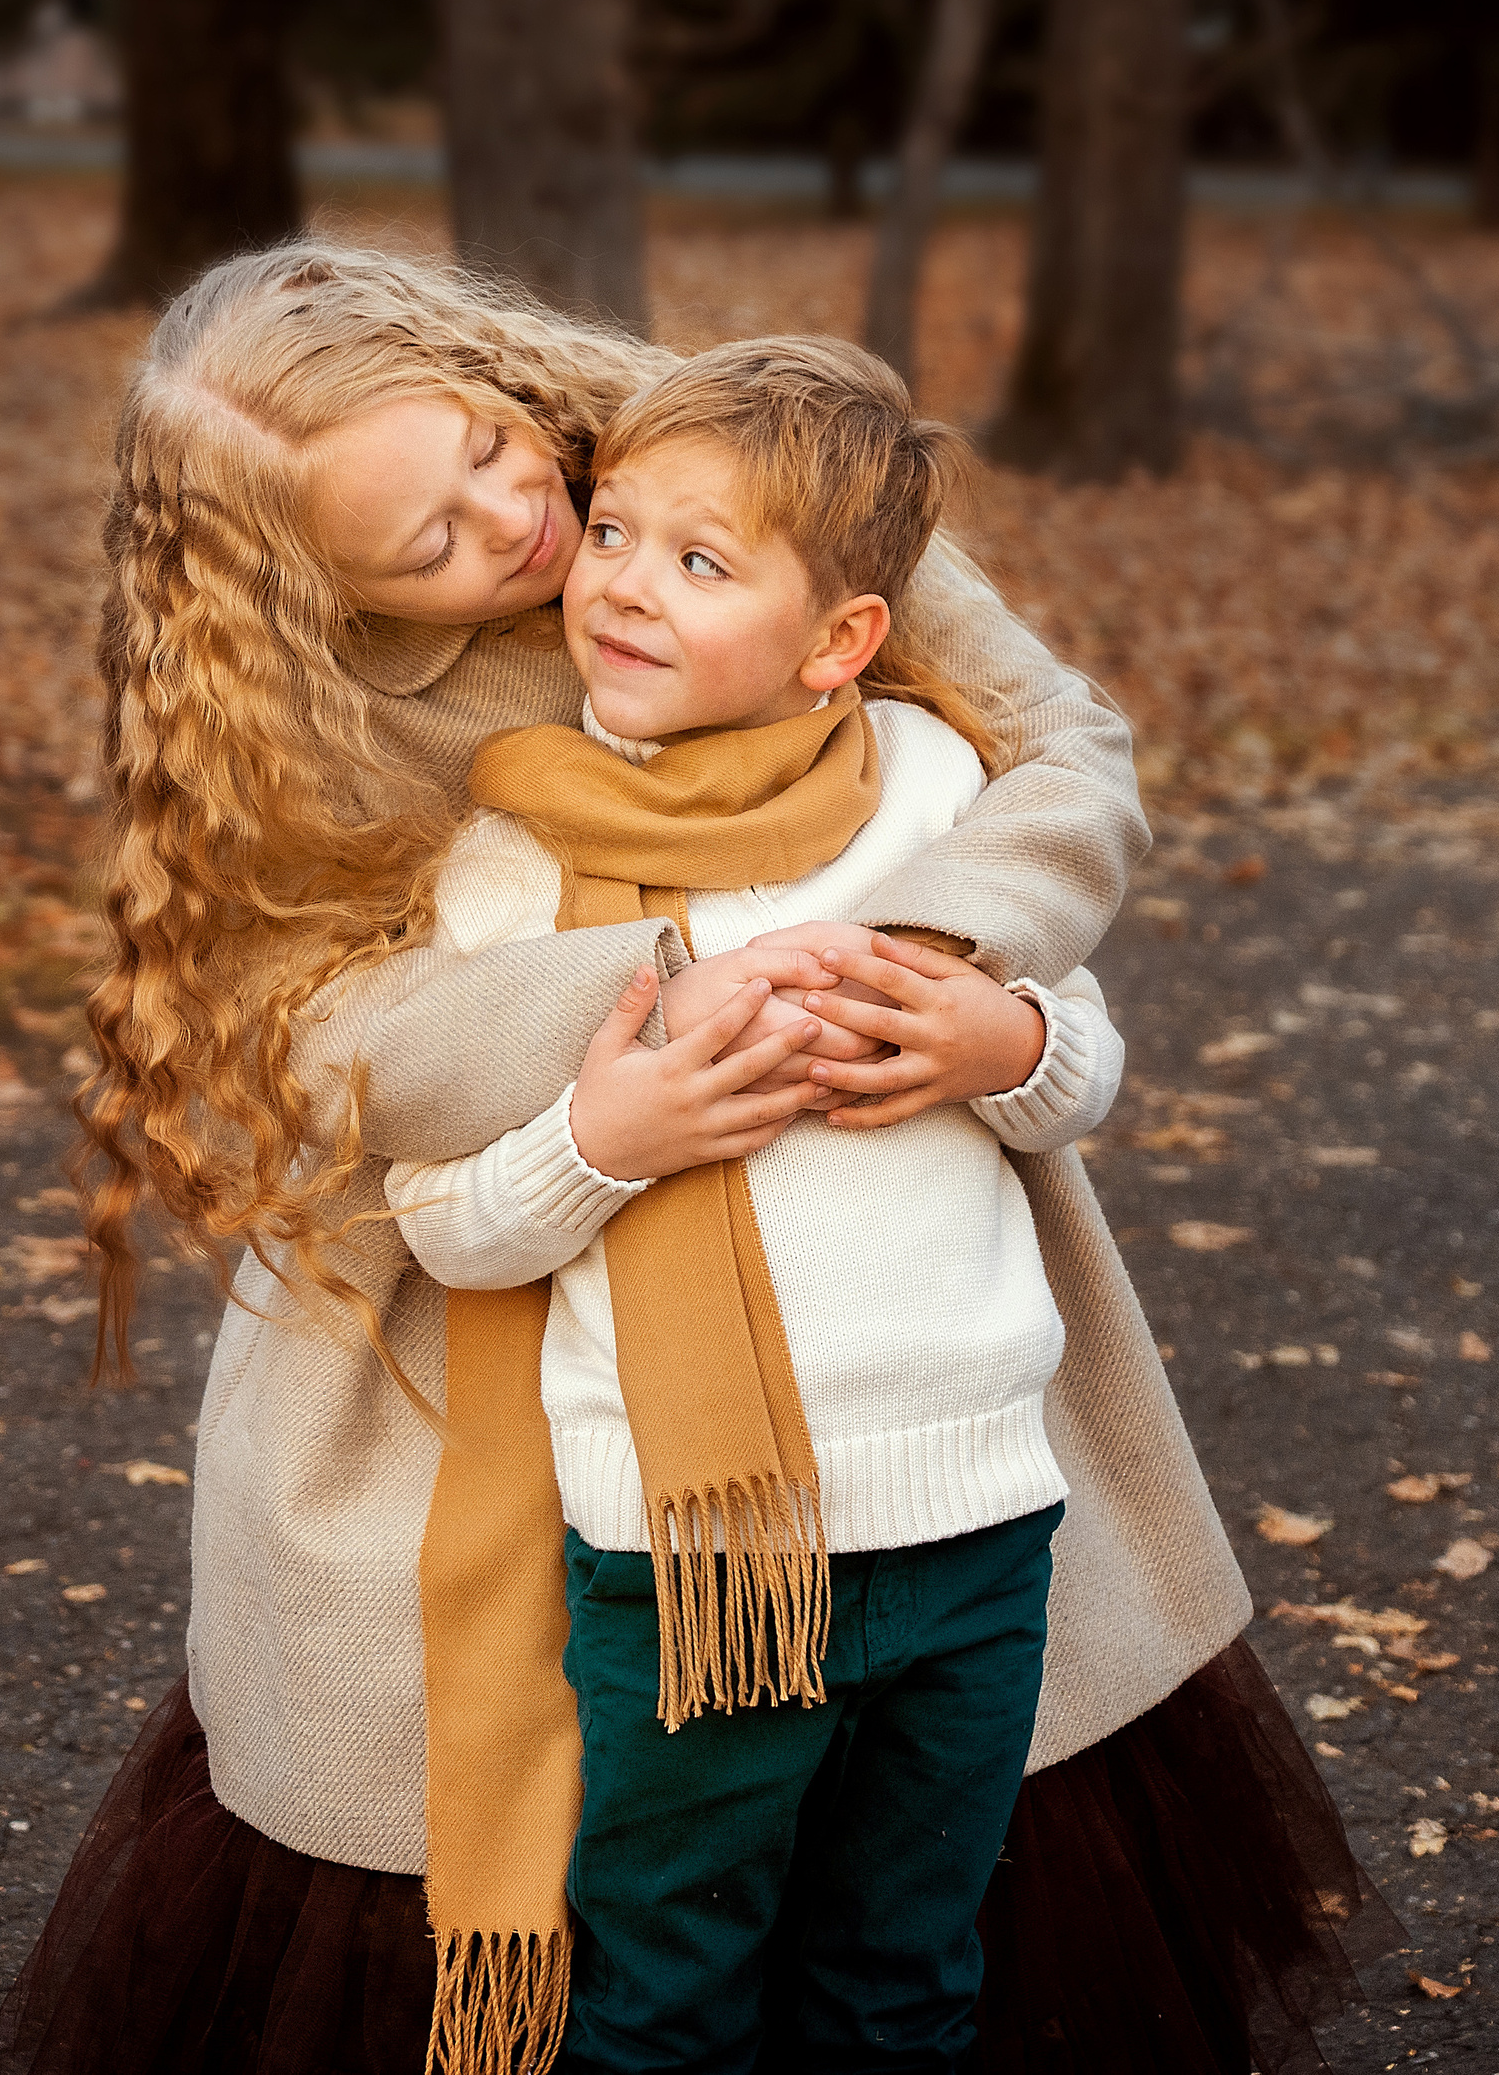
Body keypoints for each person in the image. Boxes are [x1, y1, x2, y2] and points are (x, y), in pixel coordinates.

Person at [0, 243, 1391, 2075]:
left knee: (925, 1882)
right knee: (579, 1852)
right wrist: (651, 1000)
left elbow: (1063, 746)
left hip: (880, 1282)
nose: (531, 525)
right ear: (311, 586)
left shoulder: (707, 472)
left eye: (496, 446)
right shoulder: (287, 708)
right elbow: (319, 1042)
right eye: (432, 540)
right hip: (497, 1254)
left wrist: (937, 965)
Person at [385, 336, 1126, 2074]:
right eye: (620, 531)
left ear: (839, 643)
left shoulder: (936, 793)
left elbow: (1083, 1063)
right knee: (664, 2003)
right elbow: (444, 1220)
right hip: (684, 1560)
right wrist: (607, 1133)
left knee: (903, 1983)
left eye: (702, 564)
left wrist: (996, 1034)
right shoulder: (510, 864)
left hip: (970, 1529)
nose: (624, 587)